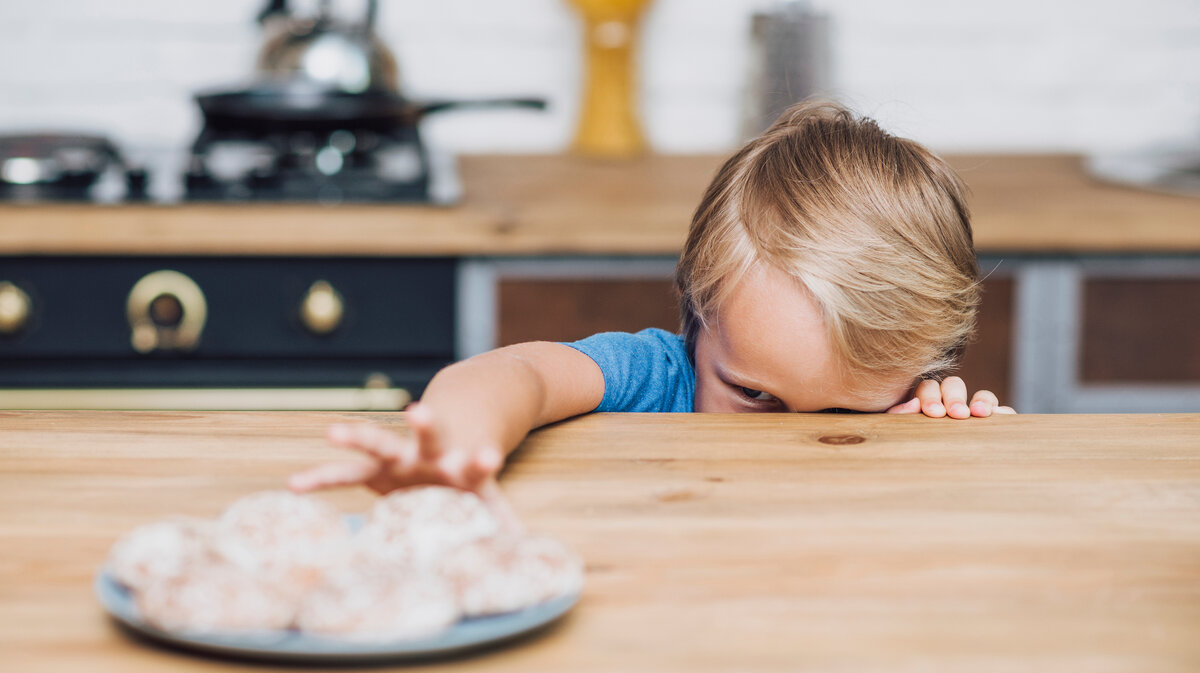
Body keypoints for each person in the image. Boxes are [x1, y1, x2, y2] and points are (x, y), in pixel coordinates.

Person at [290, 100, 1014, 508]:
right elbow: (518, 375)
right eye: (754, 394)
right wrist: (456, 441)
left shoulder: (907, 408)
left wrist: (940, 445)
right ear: (698, 316)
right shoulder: (657, 377)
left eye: (841, 417)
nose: (786, 451)